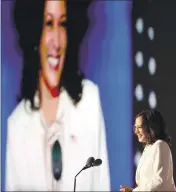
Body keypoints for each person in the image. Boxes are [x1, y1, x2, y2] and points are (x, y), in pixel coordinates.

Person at [5, 0, 110, 191]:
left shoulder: (89, 101)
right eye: (48, 24)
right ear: (33, 32)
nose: (57, 41)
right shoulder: (16, 125)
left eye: (62, 24)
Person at [120, 109, 176, 191]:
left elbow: (159, 181)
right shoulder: (148, 148)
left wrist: (133, 191)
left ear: (151, 127)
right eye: (135, 127)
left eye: (139, 127)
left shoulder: (160, 145)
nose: (136, 131)